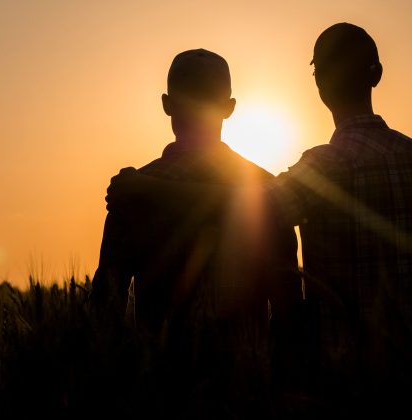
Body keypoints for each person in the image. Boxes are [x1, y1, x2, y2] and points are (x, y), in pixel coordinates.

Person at [106, 23, 412, 417]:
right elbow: (286, 304)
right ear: (377, 74)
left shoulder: (323, 169)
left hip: (339, 381)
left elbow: (106, 305)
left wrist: (147, 189)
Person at [91, 49, 300, 418]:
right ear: (230, 107)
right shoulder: (265, 193)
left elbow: (105, 306)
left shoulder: (132, 194)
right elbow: (289, 311)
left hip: (160, 395)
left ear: (167, 105)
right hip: (245, 397)